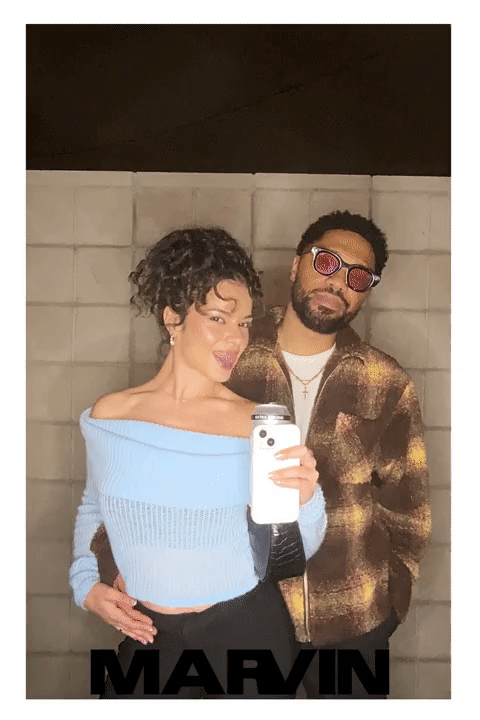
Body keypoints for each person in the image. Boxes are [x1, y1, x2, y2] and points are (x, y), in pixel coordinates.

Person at [94, 210, 431, 699]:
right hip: (233, 614)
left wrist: (390, 604)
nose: (338, 282)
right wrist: (115, 569)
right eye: (327, 262)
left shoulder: (387, 381)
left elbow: (409, 511)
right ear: (296, 264)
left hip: (351, 621)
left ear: (365, 291)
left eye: (358, 277)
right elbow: (143, 473)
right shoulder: (226, 353)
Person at [69, 227, 327, 700]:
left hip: (245, 628)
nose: (236, 338)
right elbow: (94, 505)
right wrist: (85, 583)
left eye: (244, 323)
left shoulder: (255, 422)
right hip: (149, 632)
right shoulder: (111, 416)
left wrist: (307, 501)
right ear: (173, 318)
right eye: (218, 318)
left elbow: (296, 549)